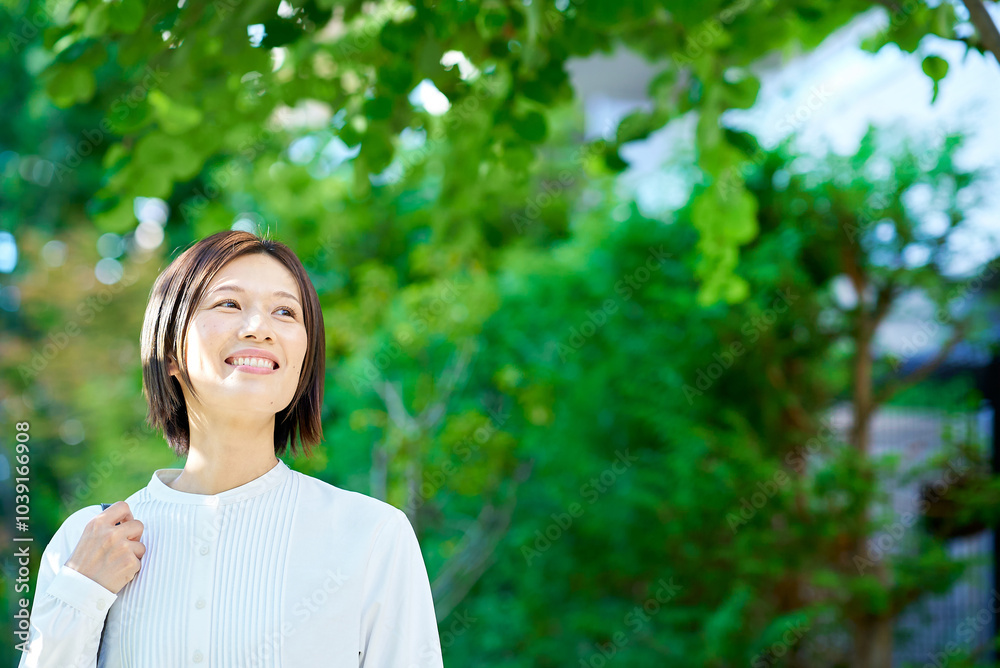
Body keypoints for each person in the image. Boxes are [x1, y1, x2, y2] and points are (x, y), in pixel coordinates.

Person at [18, 230, 445, 667]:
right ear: (169, 351)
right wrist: (81, 591)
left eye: (285, 311)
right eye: (229, 303)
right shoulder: (89, 540)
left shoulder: (372, 536)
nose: (259, 328)